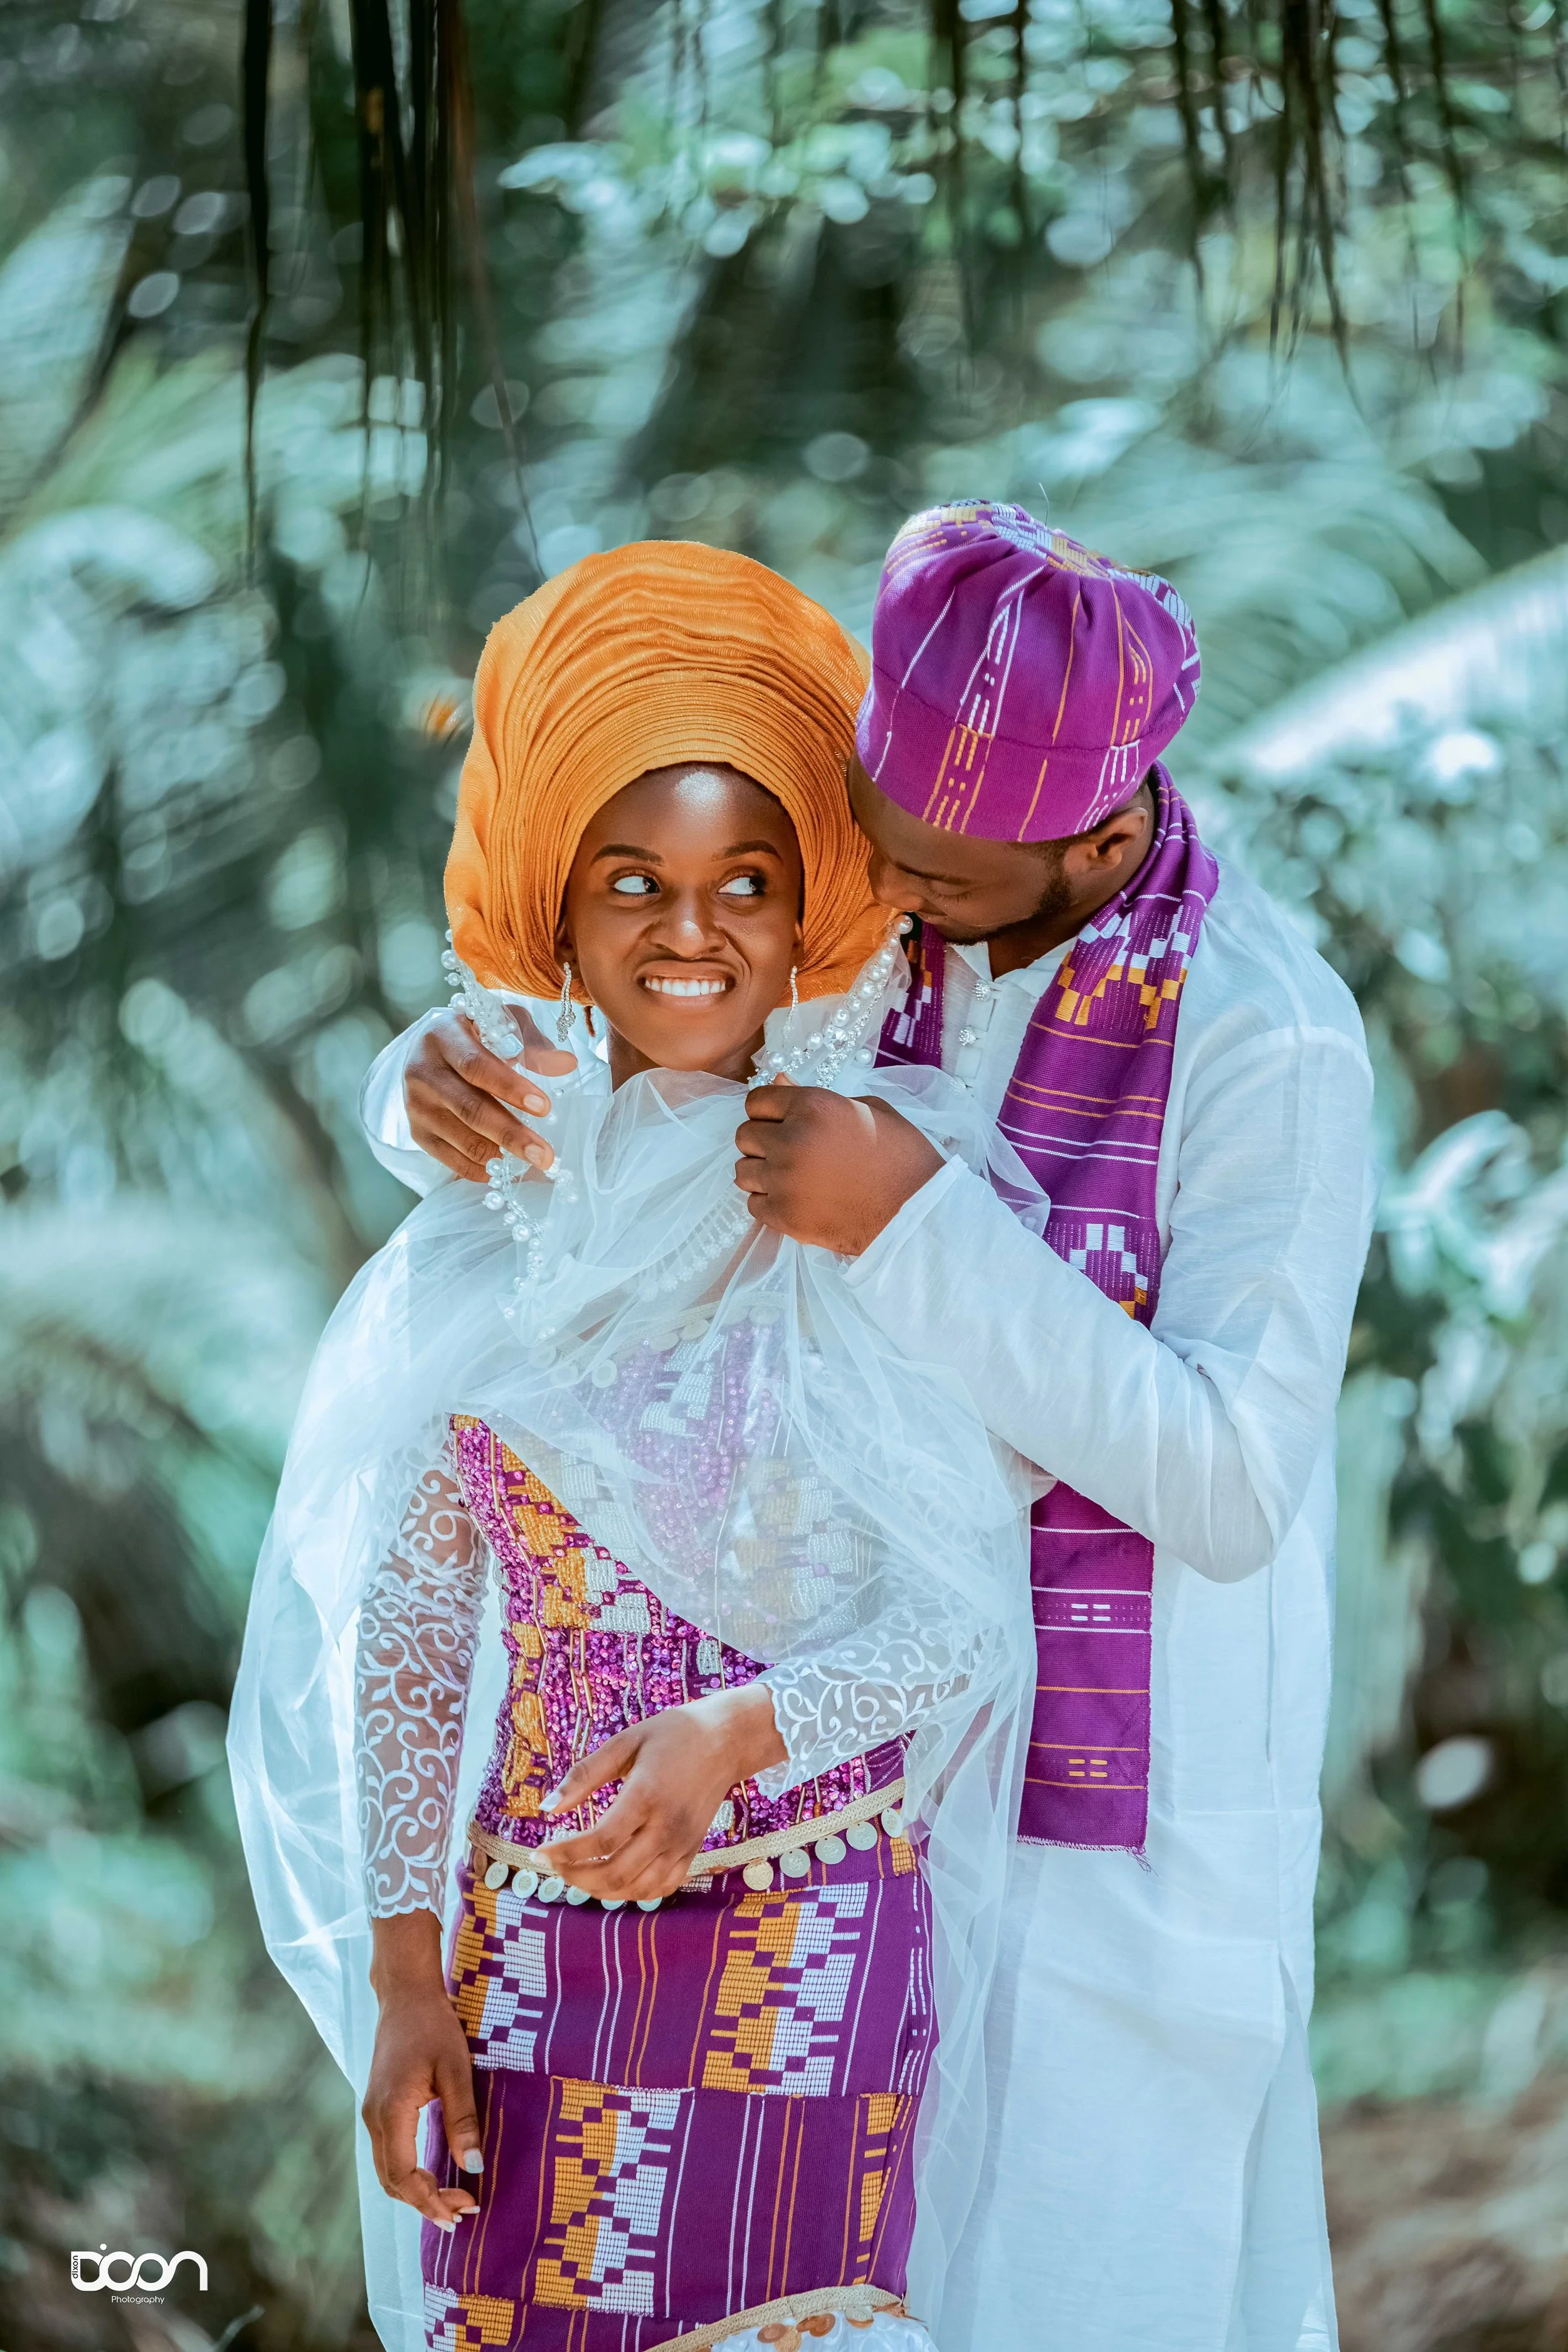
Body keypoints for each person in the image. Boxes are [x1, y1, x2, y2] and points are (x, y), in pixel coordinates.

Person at [365, 504, 1376, 2352]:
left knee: (1084, 2300)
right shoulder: (881, 924)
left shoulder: (1265, 1041)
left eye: (936, 876)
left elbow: (1231, 1487)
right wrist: (415, 1081)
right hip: (819, 1830)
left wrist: (911, 1224)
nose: (884, 897)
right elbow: (627, 1052)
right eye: (873, 841)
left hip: (1106, 1826)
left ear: (1096, 836)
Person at [230, 538, 1039, 2352]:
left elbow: (966, 1624)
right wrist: (406, 1979)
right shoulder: (489, 1224)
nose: (693, 931)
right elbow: (412, 1634)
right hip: (526, 1960)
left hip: (814, 1942)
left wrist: (736, 1737)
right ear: (556, 913)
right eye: (633, 884)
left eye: (747, 881)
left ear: (810, 905)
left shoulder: (859, 1194)